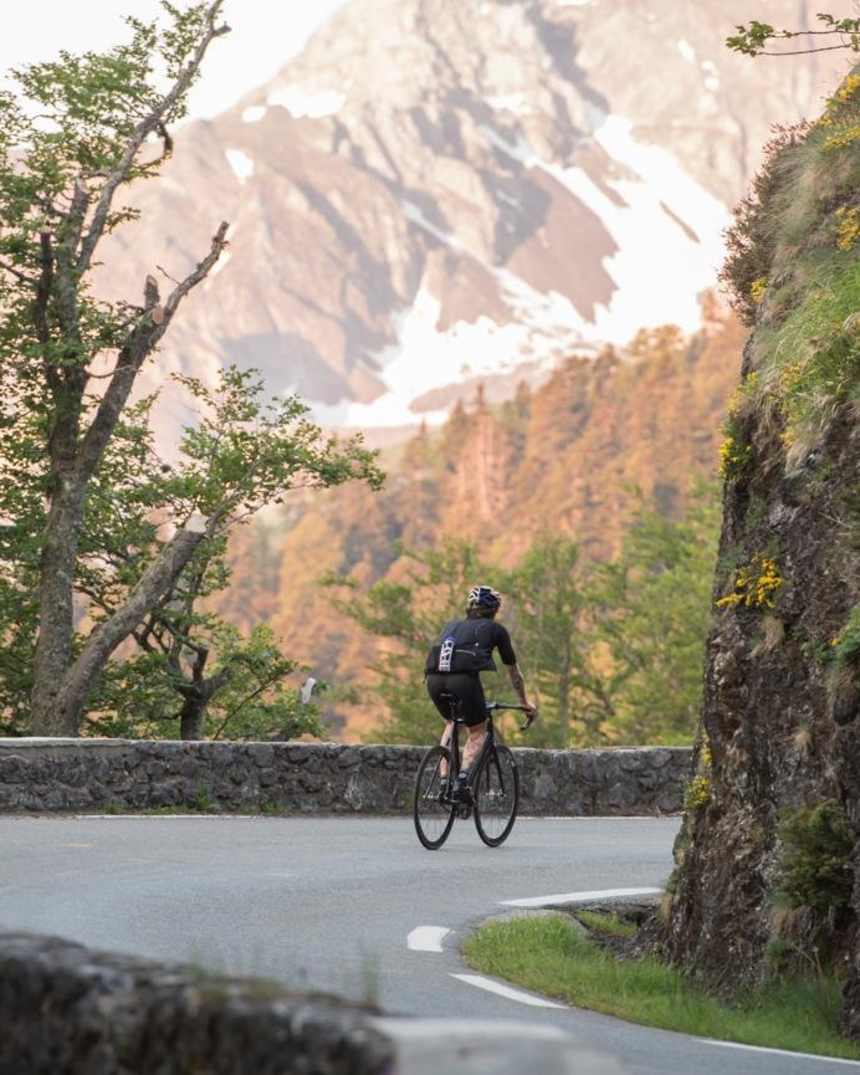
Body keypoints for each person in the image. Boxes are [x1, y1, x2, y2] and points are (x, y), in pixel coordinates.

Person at [425, 585, 537, 800]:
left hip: (433, 679)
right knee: (477, 731)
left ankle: (443, 781)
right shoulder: (496, 630)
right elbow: (513, 672)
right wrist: (524, 702)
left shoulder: (451, 626)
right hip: (464, 681)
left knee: (451, 722)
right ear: (494, 610)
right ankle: (463, 781)